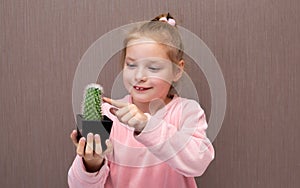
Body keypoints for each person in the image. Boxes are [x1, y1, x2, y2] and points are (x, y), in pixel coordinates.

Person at [68, 13, 214, 188]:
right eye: (131, 65)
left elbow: (198, 163)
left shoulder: (187, 112)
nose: (139, 76)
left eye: (153, 67)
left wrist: (146, 125)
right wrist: (92, 164)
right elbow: (78, 185)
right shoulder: (108, 114)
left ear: (177, 70)